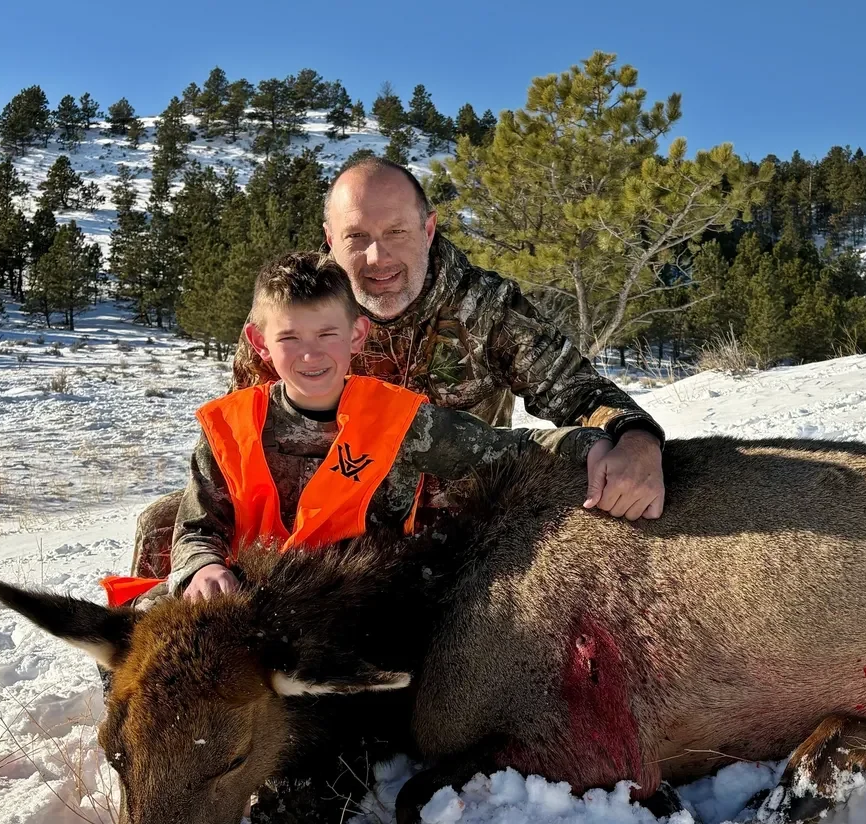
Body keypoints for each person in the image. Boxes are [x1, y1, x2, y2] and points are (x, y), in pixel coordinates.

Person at [127, 157, 664, 582]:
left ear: (428, 229)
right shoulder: (292, 317)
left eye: (397, 232)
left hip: (445, 511)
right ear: (330, 238)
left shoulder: (487, 308)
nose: (376, 258)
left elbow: (578, 392)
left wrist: (635, 437)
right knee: (161, 530)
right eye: (356, 236)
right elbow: (245, 442)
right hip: (318, 512)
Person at [103, 252, 610, 605]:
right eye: (290, 337)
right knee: (148, 621)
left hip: (351, 611)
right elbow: (196, 529)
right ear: (259, 343)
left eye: (327, 333)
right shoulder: (230, 428)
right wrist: (202, 569)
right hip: (250, 604)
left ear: (357, 334)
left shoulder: (400, 422)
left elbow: (510, 450)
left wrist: (599, 444)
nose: (310, 353)